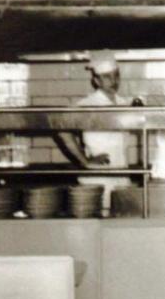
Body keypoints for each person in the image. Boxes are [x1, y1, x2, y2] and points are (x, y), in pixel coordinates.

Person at [55, 50, 132, 213]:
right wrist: (84, 162)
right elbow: (61, 128)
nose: (113, 81)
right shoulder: (87, 104)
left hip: (123, 175)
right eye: (107, 77)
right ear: (96, 81)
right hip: (97, 178)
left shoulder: (124, 103)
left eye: (116, 75)